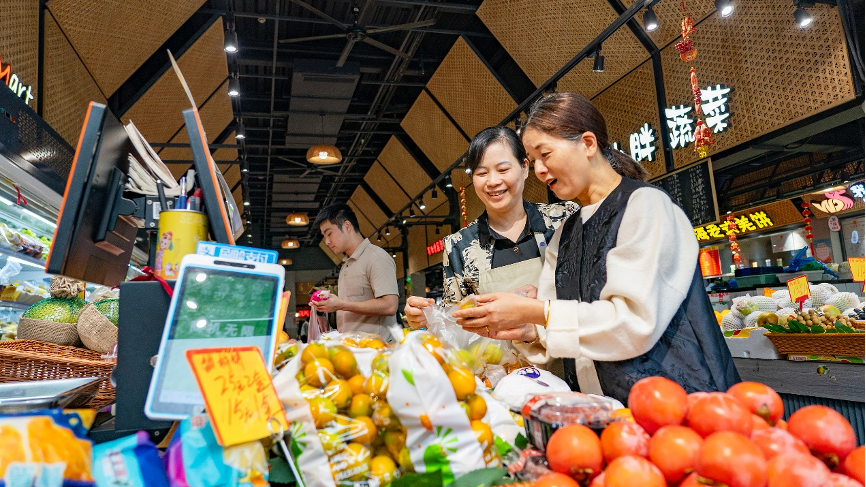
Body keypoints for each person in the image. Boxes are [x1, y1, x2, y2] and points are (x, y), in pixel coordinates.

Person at [452, 92, 739, 404]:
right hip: (608, 411)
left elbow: (632, 322)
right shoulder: (565, 234)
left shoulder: (645, 205)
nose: (538, 170)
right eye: (533, 161)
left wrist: (536, 311)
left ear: (588, 144)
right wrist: (527, 329)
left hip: (680, 403)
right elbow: (562, 325)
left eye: (545, 155)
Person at [404, 126, 578, 328]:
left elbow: (593, 291)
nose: (493, 181)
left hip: (569, 351)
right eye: (481, 173)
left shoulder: (563, 219)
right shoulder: (459, 246)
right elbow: (455, 323)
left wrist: (545, 299)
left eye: (503, 170)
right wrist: (428, 318)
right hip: (497, 360)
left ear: (524, 167)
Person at [311, 203, 399, 339]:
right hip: (352, 349)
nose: (327, 241)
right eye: (324, 237)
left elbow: (390, 305)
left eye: (329, 234)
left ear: (347, 226)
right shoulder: (347, 264)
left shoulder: (376, 257)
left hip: (376, 351)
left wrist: (341, 305)